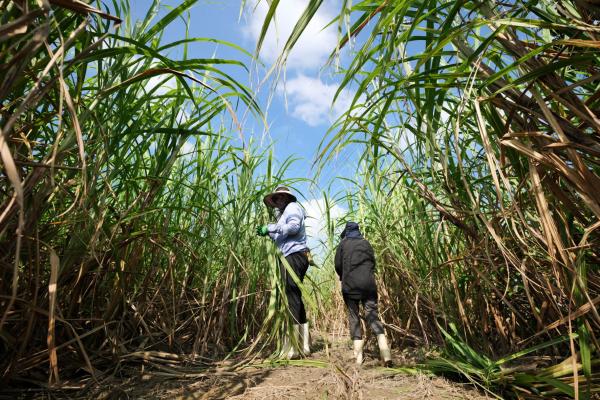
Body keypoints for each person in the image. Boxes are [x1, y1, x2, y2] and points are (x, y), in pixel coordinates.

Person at [256, 186, 311, 358]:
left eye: (280, 198)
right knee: (295, 297)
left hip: (294, 255)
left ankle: (293, 348)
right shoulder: (283, 214)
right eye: (276, 199)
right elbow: (282, 234)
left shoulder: (292, 208)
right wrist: (269, 232)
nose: (277, 201)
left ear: (287, 198)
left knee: (292, 297)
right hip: (293, 255)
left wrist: (270, 227)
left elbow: (293, 227)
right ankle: (304, 345)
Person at [334, 221, 392, 366]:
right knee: (372, 315)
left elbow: (338, 265)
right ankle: (386, 354)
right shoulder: (366, 243)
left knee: (354, 316)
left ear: (346, 232)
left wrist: (343, 276)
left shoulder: (343, 244)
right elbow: (372, 263)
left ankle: (358, 358)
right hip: (369, 285)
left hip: (350, 286)